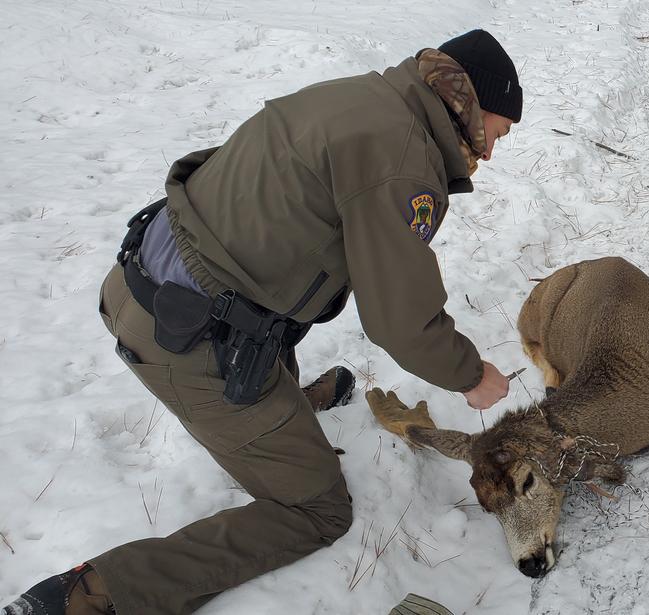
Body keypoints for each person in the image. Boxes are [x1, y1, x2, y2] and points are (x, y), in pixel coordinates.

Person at [3, 29, 521, 615]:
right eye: (499, 131)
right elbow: (399, 318)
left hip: (151, 286)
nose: (492, 151)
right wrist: (470, 373)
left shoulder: (366, 97)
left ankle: (282, 409)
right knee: (317, 510)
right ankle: (90, 595)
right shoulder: (403, 158)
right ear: (474, 103)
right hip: (186, 337)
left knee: (282, 301)